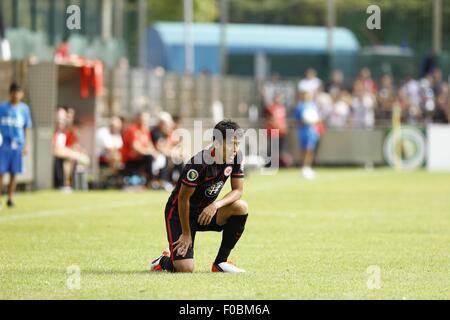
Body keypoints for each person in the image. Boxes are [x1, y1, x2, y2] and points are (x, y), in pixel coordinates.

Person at [149, 120, 248, 273]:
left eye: (238, 144)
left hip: (205, 213)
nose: (235, 149)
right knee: (185, 269)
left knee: (241, 207)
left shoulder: (236, 157)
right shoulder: (199, 163)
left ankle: (220, 263)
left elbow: (238, 191)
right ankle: (163, 260)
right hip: (180, 214)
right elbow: (183, 199)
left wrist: (216, 205)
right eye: (231, 144)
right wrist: (186, 234)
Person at [0, 83, 32, 209]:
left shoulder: (24, 109)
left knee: (14, 173)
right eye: (14, 92)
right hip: (4, 145)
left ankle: (10, 198)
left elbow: (27, 127)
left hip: (17, 145)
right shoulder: (2, 108)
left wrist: (26, 145)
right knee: (1, 172)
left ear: (21, 94)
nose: (16, 95)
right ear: (10, 93)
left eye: (18, 92)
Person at [121, 111, 159, 187]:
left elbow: (149, 144)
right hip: (131, 159)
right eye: (143, 119)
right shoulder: (132, 129)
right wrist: (148, 152)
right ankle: (150, 182)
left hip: (141, 157)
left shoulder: (145, 130)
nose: (145, 121)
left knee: (160, 158)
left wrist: (155, 153)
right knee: (149, 157)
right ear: (138, 119)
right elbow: (135, 147)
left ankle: (161, 181)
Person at [294, 91, 321, 180]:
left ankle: (308, 167)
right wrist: (304, 121)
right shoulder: (300, 106)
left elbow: (317, 118)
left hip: (312, 130)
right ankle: (304, 168)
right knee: (305, 149)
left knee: (311, 150)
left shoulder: (313, 105)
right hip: (304, 130)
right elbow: (297, 120)